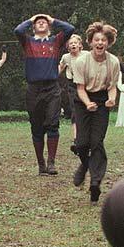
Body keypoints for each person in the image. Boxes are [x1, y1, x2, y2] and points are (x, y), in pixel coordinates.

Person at [14, 13, 75, 175]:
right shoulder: (28, 42)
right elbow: (18, 30)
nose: (41, 23)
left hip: (52, 88)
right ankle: (41, 163)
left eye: (44, 22)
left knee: (53, 124)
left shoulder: (55, 41)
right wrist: (31, 19)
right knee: (37, 127)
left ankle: (51, 163)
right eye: (38, 22)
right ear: (34, 27)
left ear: (49, 26)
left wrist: (53, 20)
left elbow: (70, 29)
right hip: (33, 89)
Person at [71, 22, 120, 203]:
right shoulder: (81, 61)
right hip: (83, 100)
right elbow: (80, 88)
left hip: (102, 101)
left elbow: (112, 87)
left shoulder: (113, 62)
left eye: (103, 40)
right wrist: (87, 103)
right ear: (90, 42)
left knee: (96, 142)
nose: (100, 43)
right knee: (82, 143)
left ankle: (95, 183)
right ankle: (84, 165)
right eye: (96, 40)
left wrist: (112, 99)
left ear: (108, 42)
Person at [58, 34, 88, 152]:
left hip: (86, 86)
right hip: (73, 86)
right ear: (68, 47)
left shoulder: (87, 55)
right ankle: (76, 140)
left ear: (80, 45)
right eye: (71, 43)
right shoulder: (66, 57)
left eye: (75, 43)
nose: (73, 45)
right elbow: (59, 69)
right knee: (75, 112)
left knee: (87, 111)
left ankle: (87, 138)